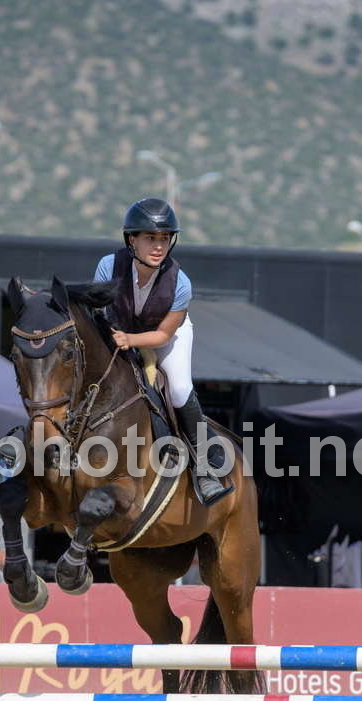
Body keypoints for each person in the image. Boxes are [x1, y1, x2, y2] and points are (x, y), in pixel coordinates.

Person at [93, 197, 231, 506]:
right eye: (150, 238)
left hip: (166, 335)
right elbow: (99, 312)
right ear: (132, 240)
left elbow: (163, 334)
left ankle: (204, 469)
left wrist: (130, 340)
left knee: (179, 389)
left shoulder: (180, 282)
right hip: (120, 332)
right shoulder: (108, 266)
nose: (159, 246)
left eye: (165, 238)